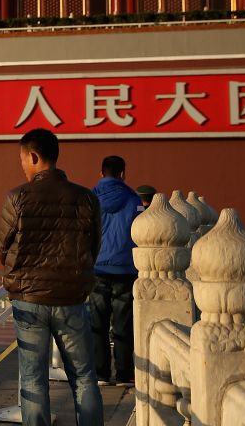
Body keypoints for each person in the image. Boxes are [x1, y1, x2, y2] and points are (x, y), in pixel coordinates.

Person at [0, 128, 103, 426]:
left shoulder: (17, 197)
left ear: (33, 156)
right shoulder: (86, 198)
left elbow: (2, 247)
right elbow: (94, 246)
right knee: (83, 377)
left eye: (22, 159)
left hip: (29, 299)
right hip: (71, 299)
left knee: (33, 380)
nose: (22, 165)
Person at [91, 155, 139, 387]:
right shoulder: (133, 199)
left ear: (101, 174)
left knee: (97, 324)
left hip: (97, 269)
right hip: (125, 269)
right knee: (123, 324)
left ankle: (100, 373)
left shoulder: (90, 198)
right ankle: (123, 374)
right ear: (122, 173)